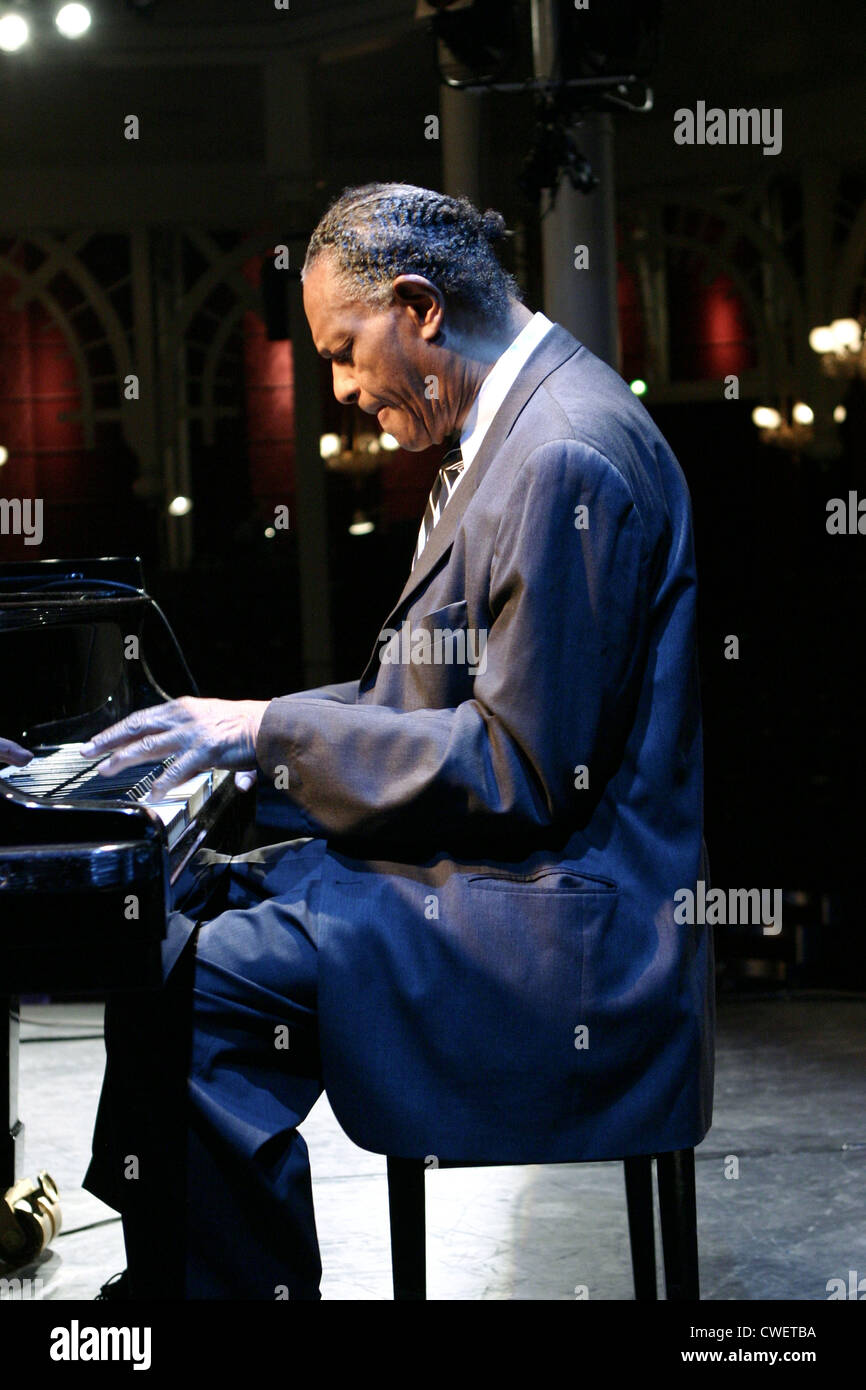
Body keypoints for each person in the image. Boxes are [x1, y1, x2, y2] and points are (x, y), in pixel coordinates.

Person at [70, 182, 712, 1299]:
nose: (339, 391)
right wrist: (238, 740)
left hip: (562, 936)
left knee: (199, 987)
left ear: (416, 306)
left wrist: (268, 735)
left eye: (340, 352)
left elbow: (519, 769)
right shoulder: (509, 430)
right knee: (174, 923)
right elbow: (424, 701)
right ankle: (178, 1280)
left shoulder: (563, 454)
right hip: (498, 886)